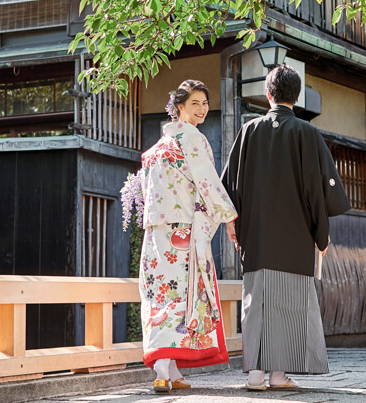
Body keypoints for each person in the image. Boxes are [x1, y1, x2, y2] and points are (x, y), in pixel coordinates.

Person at [221, 64, 351, 390]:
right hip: (295, 238)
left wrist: (232, 225)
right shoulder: (307, 133)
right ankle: (278, 375)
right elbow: (318, 192)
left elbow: (229, 186)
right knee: (289, 305)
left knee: (257, 302)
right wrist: (321, 234)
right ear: (298, 95)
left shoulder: (249, 131)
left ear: (268, 94)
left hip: (257, 238)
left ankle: (254, 375)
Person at [138, 79, 238, 393]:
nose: (202, 109)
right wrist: (229, 217)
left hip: (156, 233)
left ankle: (167, 369)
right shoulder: (192, 139)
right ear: (179, 107)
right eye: (195, 103)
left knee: (159, 297)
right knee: (181, 296)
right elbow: (208, 183)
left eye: (205, 103)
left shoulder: (155, 151)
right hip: (182, 232)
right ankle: (165, 371)